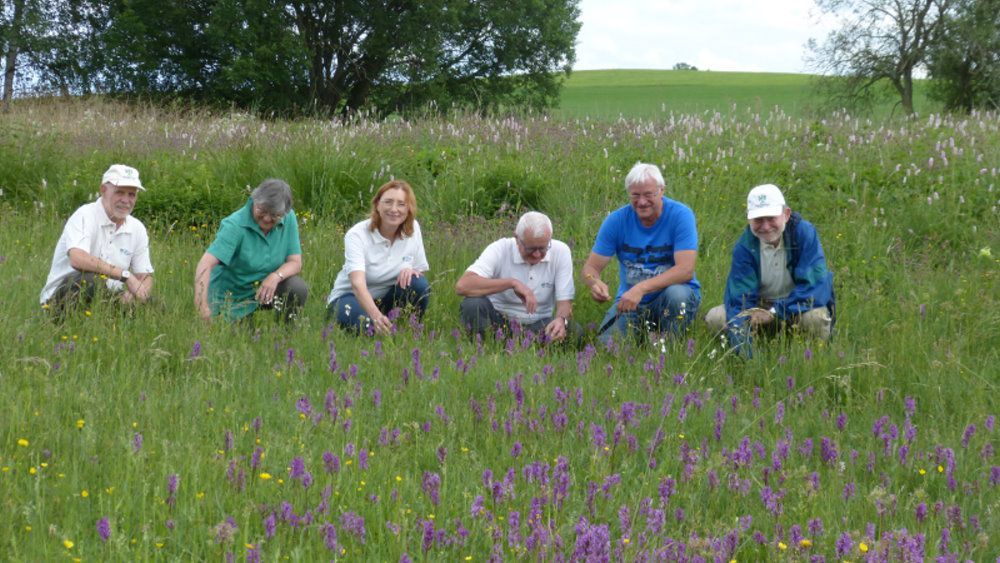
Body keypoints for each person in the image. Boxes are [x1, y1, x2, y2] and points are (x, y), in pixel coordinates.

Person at [704, 184, 835, 356]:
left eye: (771, 218)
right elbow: (739, 301)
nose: (765, 227)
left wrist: (775, 312)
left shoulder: (804, 234)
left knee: (815, 317)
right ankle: (756, 344)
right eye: (758, 219)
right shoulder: (744, 247)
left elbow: (816, 287)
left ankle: (813, 357)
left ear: (786, 214)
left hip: (797, 305)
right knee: (716, 318)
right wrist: (746, 359)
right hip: (759, 307)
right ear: (749, 219)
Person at [581, 162, 701, 344]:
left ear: (662, 191)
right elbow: (590, 268)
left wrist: (641, 288)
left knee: (678, 295)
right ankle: (643, 336)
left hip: (670, 297)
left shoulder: (681, 215)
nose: (642, 202)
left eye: (648, 194)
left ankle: (671, 345)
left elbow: (685, 270)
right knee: (607, 347)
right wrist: (594, 283)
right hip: (630, 302)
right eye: (635, 195)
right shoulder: (616, 221)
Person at [40, 164, 154, 316]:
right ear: (103, 190)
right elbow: (77, 258)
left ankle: (110, 319)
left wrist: (135, 294)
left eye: (131, 194)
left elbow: (145, 276)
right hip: (62, 298)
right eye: (120, 192)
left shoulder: (137, 228)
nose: (126, 200)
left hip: (110, 299)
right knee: (89, 281)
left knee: (155, 307)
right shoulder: (84, 215)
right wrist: (125, 276)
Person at [194, 179, 308, 322]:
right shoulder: (234, 225)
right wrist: (202, 307)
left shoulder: (289, 218)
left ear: (284, 212)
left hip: (265, 289)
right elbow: (205, 263)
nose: (267, 218)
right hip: (232, 296)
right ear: (254, 200)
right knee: (240, 340)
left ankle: (287, 336)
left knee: (297, 288)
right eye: (262, 210)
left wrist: (275, 276)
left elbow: (295, 262)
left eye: (274, 215)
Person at [326, 179, 430, 334]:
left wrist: (411, 270)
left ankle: (407, 330)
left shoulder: (413, 229)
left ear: (409, 208)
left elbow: (419, 269)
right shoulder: (357, 234)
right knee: (365, 327)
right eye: (388, 202)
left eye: (401, 204)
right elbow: (357, 285)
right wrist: (376, 316)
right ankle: (376, 329)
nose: (394, 209)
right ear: (377, 205)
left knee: (419, 284)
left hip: (387, 298)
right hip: (351, 297)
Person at [456, 211, 576, 342]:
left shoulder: (561, 251)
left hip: (540, 323)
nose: (537, 254)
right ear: (517, 239)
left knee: (575, 331)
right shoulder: (500, 248)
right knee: (472, 305)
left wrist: (561, 320)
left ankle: (513, 345)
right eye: (531, 249)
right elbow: (463, 286)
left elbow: (565, 302)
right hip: (498, 320)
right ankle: (490, 343)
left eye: (542, 249)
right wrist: (512, 283)